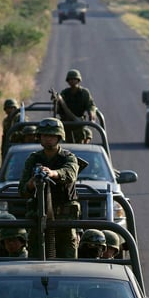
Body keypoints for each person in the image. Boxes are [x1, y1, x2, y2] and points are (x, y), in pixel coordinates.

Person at [18, 117, 80, 258]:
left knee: (68, 263)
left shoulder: (68, 157)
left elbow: (70, 173)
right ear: (39, 137)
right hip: (38, 220)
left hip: (64, 221)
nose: (48, 139)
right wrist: (32, 183)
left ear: (59, 137)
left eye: (52, 136)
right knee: (36, 260)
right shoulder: (33, 159)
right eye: (45, 135)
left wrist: (53, 173)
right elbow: (22, 190)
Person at [55, 69, 97, 141]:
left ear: (78, 80)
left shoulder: (84, 93)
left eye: (74, 79)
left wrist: (91, 113)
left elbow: (90, 105)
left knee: (81, 140)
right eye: (70, 79)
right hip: (66, 123)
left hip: (79, 123)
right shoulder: (65, 93)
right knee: (66, 142)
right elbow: (58, 109)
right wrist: (56, 100)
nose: (72, 81)